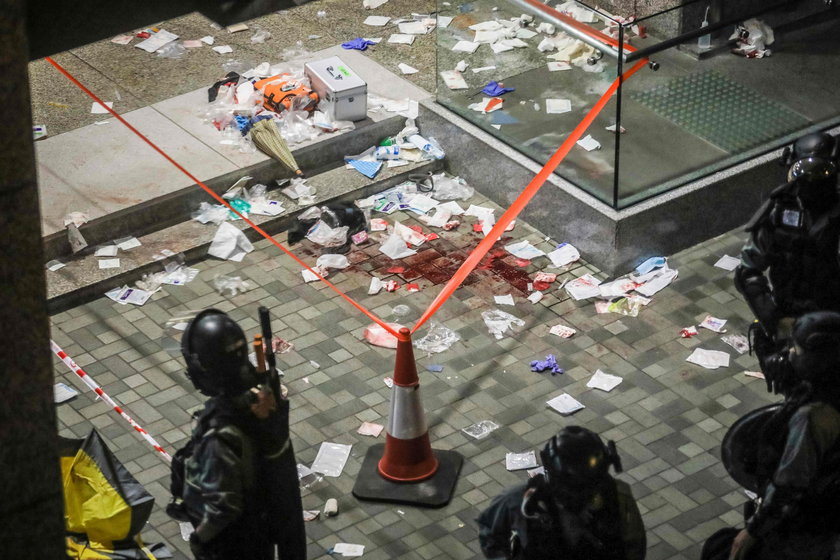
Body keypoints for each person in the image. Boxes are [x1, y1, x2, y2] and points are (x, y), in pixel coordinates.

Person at [177, 309, 306, 560]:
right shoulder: (262, 403)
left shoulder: (221, 433)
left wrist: (199, 540)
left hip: (238, 543)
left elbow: (223, 508)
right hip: (265, 527)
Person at [718, 311, 840, 560]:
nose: (791, 354)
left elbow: (790, 483)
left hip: (806, 524)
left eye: (798, 349)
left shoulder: (814, 417)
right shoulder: (830, 386)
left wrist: (753, 530)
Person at [735, 131, 840, 369]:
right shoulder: (781, 210)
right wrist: (774, 320)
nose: (810, 181)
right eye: (803, 172)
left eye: (820, 172)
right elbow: (747, 271)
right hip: (789, 317)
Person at [477, 426, 646, 560]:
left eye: (588, 487)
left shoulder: (616, 496)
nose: (579, 497)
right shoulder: (520, 502)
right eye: (572, 487)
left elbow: (634, 545)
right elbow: (490, 533)